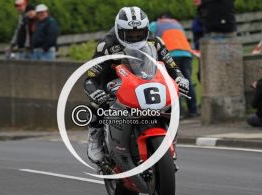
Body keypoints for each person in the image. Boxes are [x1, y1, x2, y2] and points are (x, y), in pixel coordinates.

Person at [84, 7, 190, 163]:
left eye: (139, 33)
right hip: (113, 80)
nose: (135, 37)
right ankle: (95, 136)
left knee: (171, 101)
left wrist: (180, 78)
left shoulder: (155, 41)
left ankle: (171, 139)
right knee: (98, 103)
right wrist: (95, 91)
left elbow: (172, 66)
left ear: (146, 30)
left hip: (146, 78)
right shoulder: (106, 46)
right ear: (119, 31)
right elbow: (90, 77)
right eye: (130, 34)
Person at [150, 12, 198, 118]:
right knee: (186, 81)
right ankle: (193, 111)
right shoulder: (177, 23)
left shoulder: (155, 24)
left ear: (159, 18)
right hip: (186, 53)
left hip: (170, 55)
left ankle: (178, 113)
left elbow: (148, 39)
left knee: (173, 83)